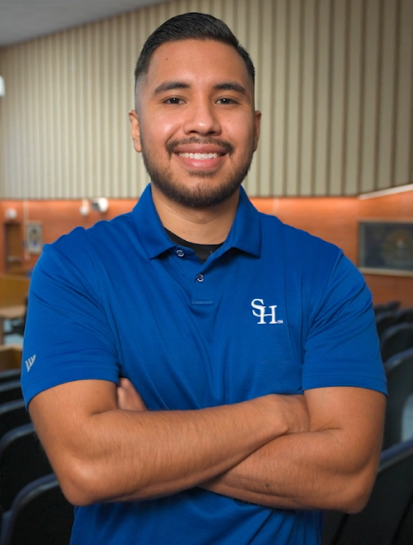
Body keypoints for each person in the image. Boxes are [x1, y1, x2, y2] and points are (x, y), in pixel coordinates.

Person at [21, 12, 387, 545]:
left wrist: (147, 446)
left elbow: (348, 477)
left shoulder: (326, 274)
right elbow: (88, 466)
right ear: (136, 128)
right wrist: (277, 413)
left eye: (226, 99)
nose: (203, 122)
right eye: (174, 99)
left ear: (255, 126)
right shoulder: (73, 268)